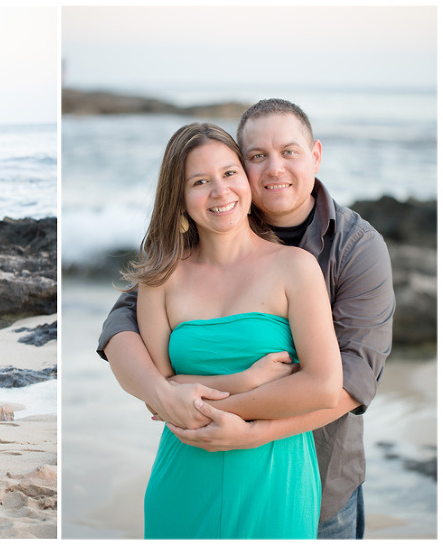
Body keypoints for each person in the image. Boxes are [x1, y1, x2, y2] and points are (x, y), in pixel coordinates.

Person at [98, 99, 395, 538]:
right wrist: (244, 382)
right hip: (187, 472)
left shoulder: (352, 250)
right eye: (257, 156)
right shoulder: (171, 267)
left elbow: (346, 380)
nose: (274, 168)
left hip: (314, 476)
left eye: (289, 151)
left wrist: (244, 428)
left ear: (315, 155)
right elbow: (130, 340)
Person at [124, 122, 343, 538]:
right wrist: (243, 380)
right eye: (200, 181)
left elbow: (324, 387)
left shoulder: (294, 267)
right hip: (183, 477)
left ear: (246, 180)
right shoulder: (160, 279)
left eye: (229, 174)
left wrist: (201, 397)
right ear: (180, 197)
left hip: (275, 479)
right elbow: (161, 395)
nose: (220, 192)